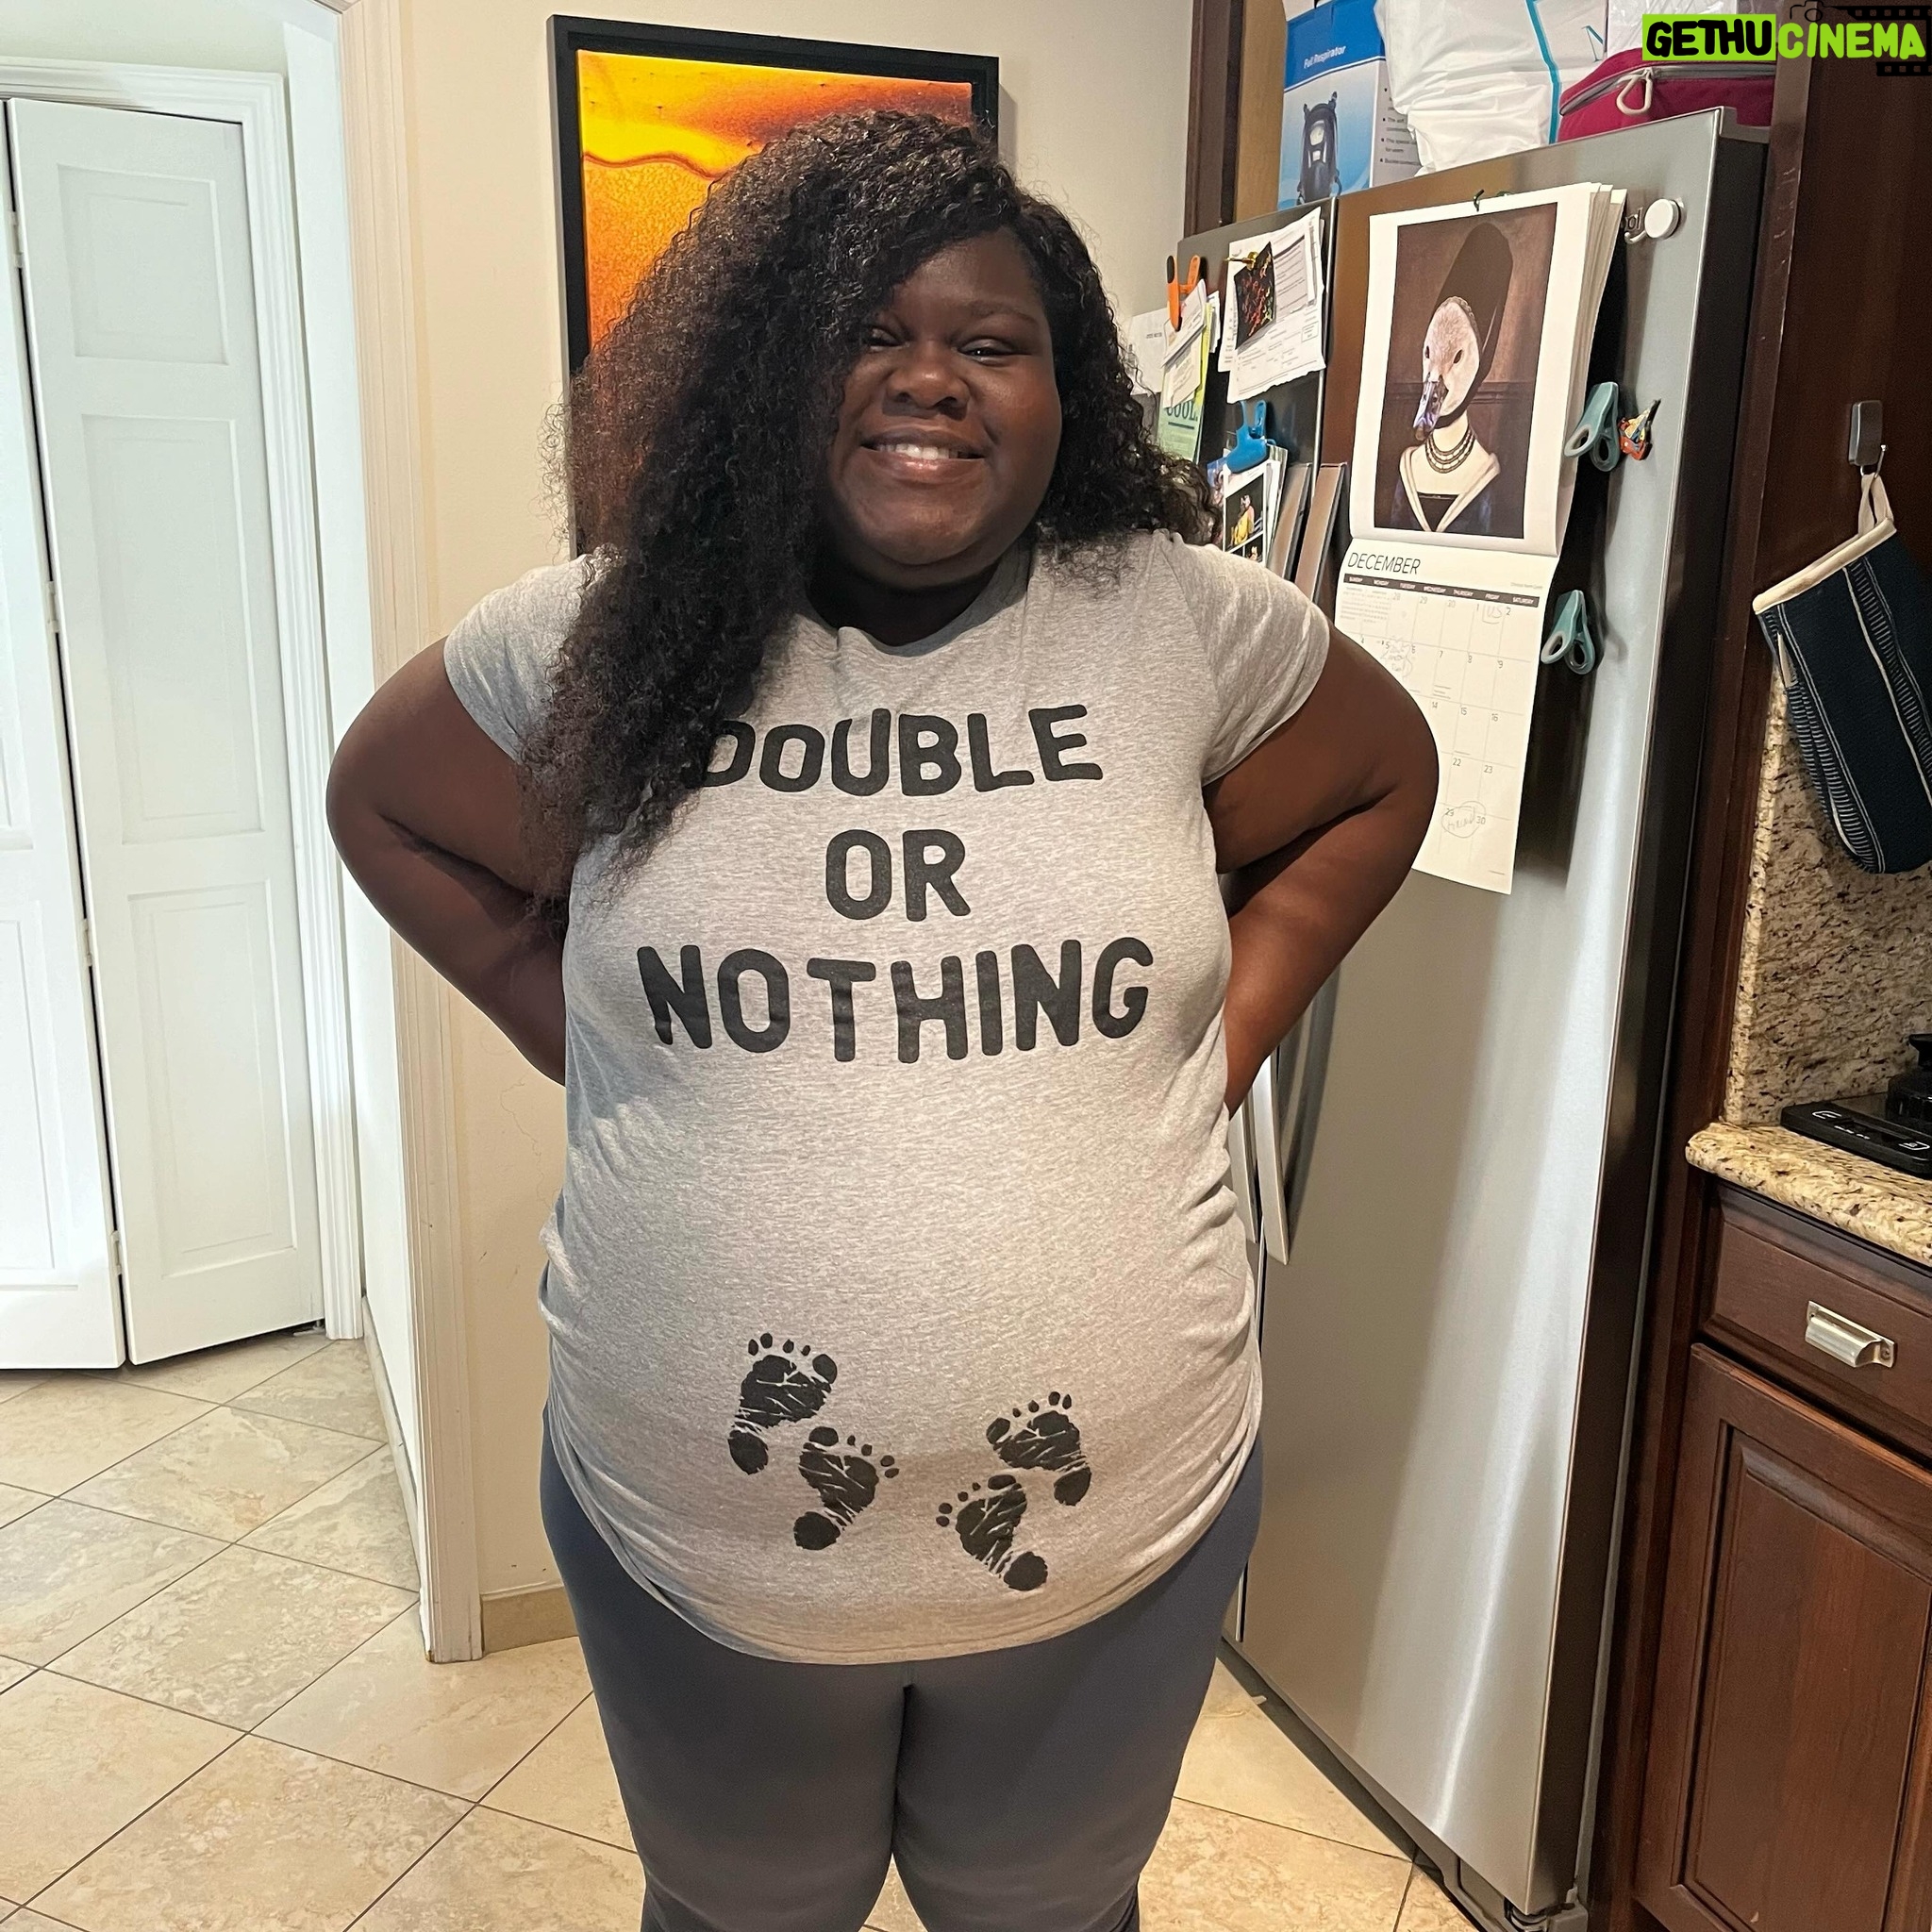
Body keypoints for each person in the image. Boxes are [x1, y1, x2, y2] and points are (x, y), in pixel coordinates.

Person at [328, 111, 1434, 1932]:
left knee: (1049, 1915)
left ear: (1065, 393)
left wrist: (1209, 1048)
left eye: (993, 342)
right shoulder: (605, 637)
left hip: (1120, 1538)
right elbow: (382, 808)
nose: (933, 378)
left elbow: (1384, 781)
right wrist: (598, 1043)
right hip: (701, 1557)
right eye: (868, 332)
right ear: (769, 370)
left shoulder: (1181, 626)